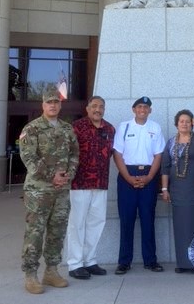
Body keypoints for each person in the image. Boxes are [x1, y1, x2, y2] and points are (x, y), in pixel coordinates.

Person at [19, 89, 79, 294]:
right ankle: (30, 274)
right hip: (39, 190)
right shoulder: (32, 128)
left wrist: (68, 174)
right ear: (43, 105)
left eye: (56, 102)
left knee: (57, 231)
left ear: (60, 105)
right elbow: (28, 158)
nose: (53, 105)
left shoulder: (67, 128)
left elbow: (74, 154)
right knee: (35, 231)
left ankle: (51, 271)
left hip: (62, 190)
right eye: (49, 102)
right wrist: (51, 176)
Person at [113, 96, 166, 274]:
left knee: (148, 220)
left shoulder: (155, 127)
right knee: (126, 220)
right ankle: (124, 262)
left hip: (148, 177)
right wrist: (128, 177)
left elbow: (159, 155)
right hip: (127, 176)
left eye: (146, 107)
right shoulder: (124, 126)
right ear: (134, 109)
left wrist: (150, 177)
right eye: (140, 106)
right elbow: (117, 154)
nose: (143, 109)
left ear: (150, 110)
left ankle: (150, 260)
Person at [67, 96, 115, 280]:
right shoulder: (76, 127)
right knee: (77, 224)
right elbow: (67, 152)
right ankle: (75, 263)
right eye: (94, 106)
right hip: (79, 183)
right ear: (87, 108)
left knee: (96, 223)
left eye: (101, 107)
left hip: (100, 184)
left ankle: (90, 261)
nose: (98, 109)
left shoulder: (110, 129)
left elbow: (112, 154)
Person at [161, 110, 194, 273]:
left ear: (193, 122)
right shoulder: (170, 143)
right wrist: (165, 189)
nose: (184, 124)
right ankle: (183, 263)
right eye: (181, 121)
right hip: (178, 192)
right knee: (181, 227)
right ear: (176, 124)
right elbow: (165, 167)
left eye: (187, 121)